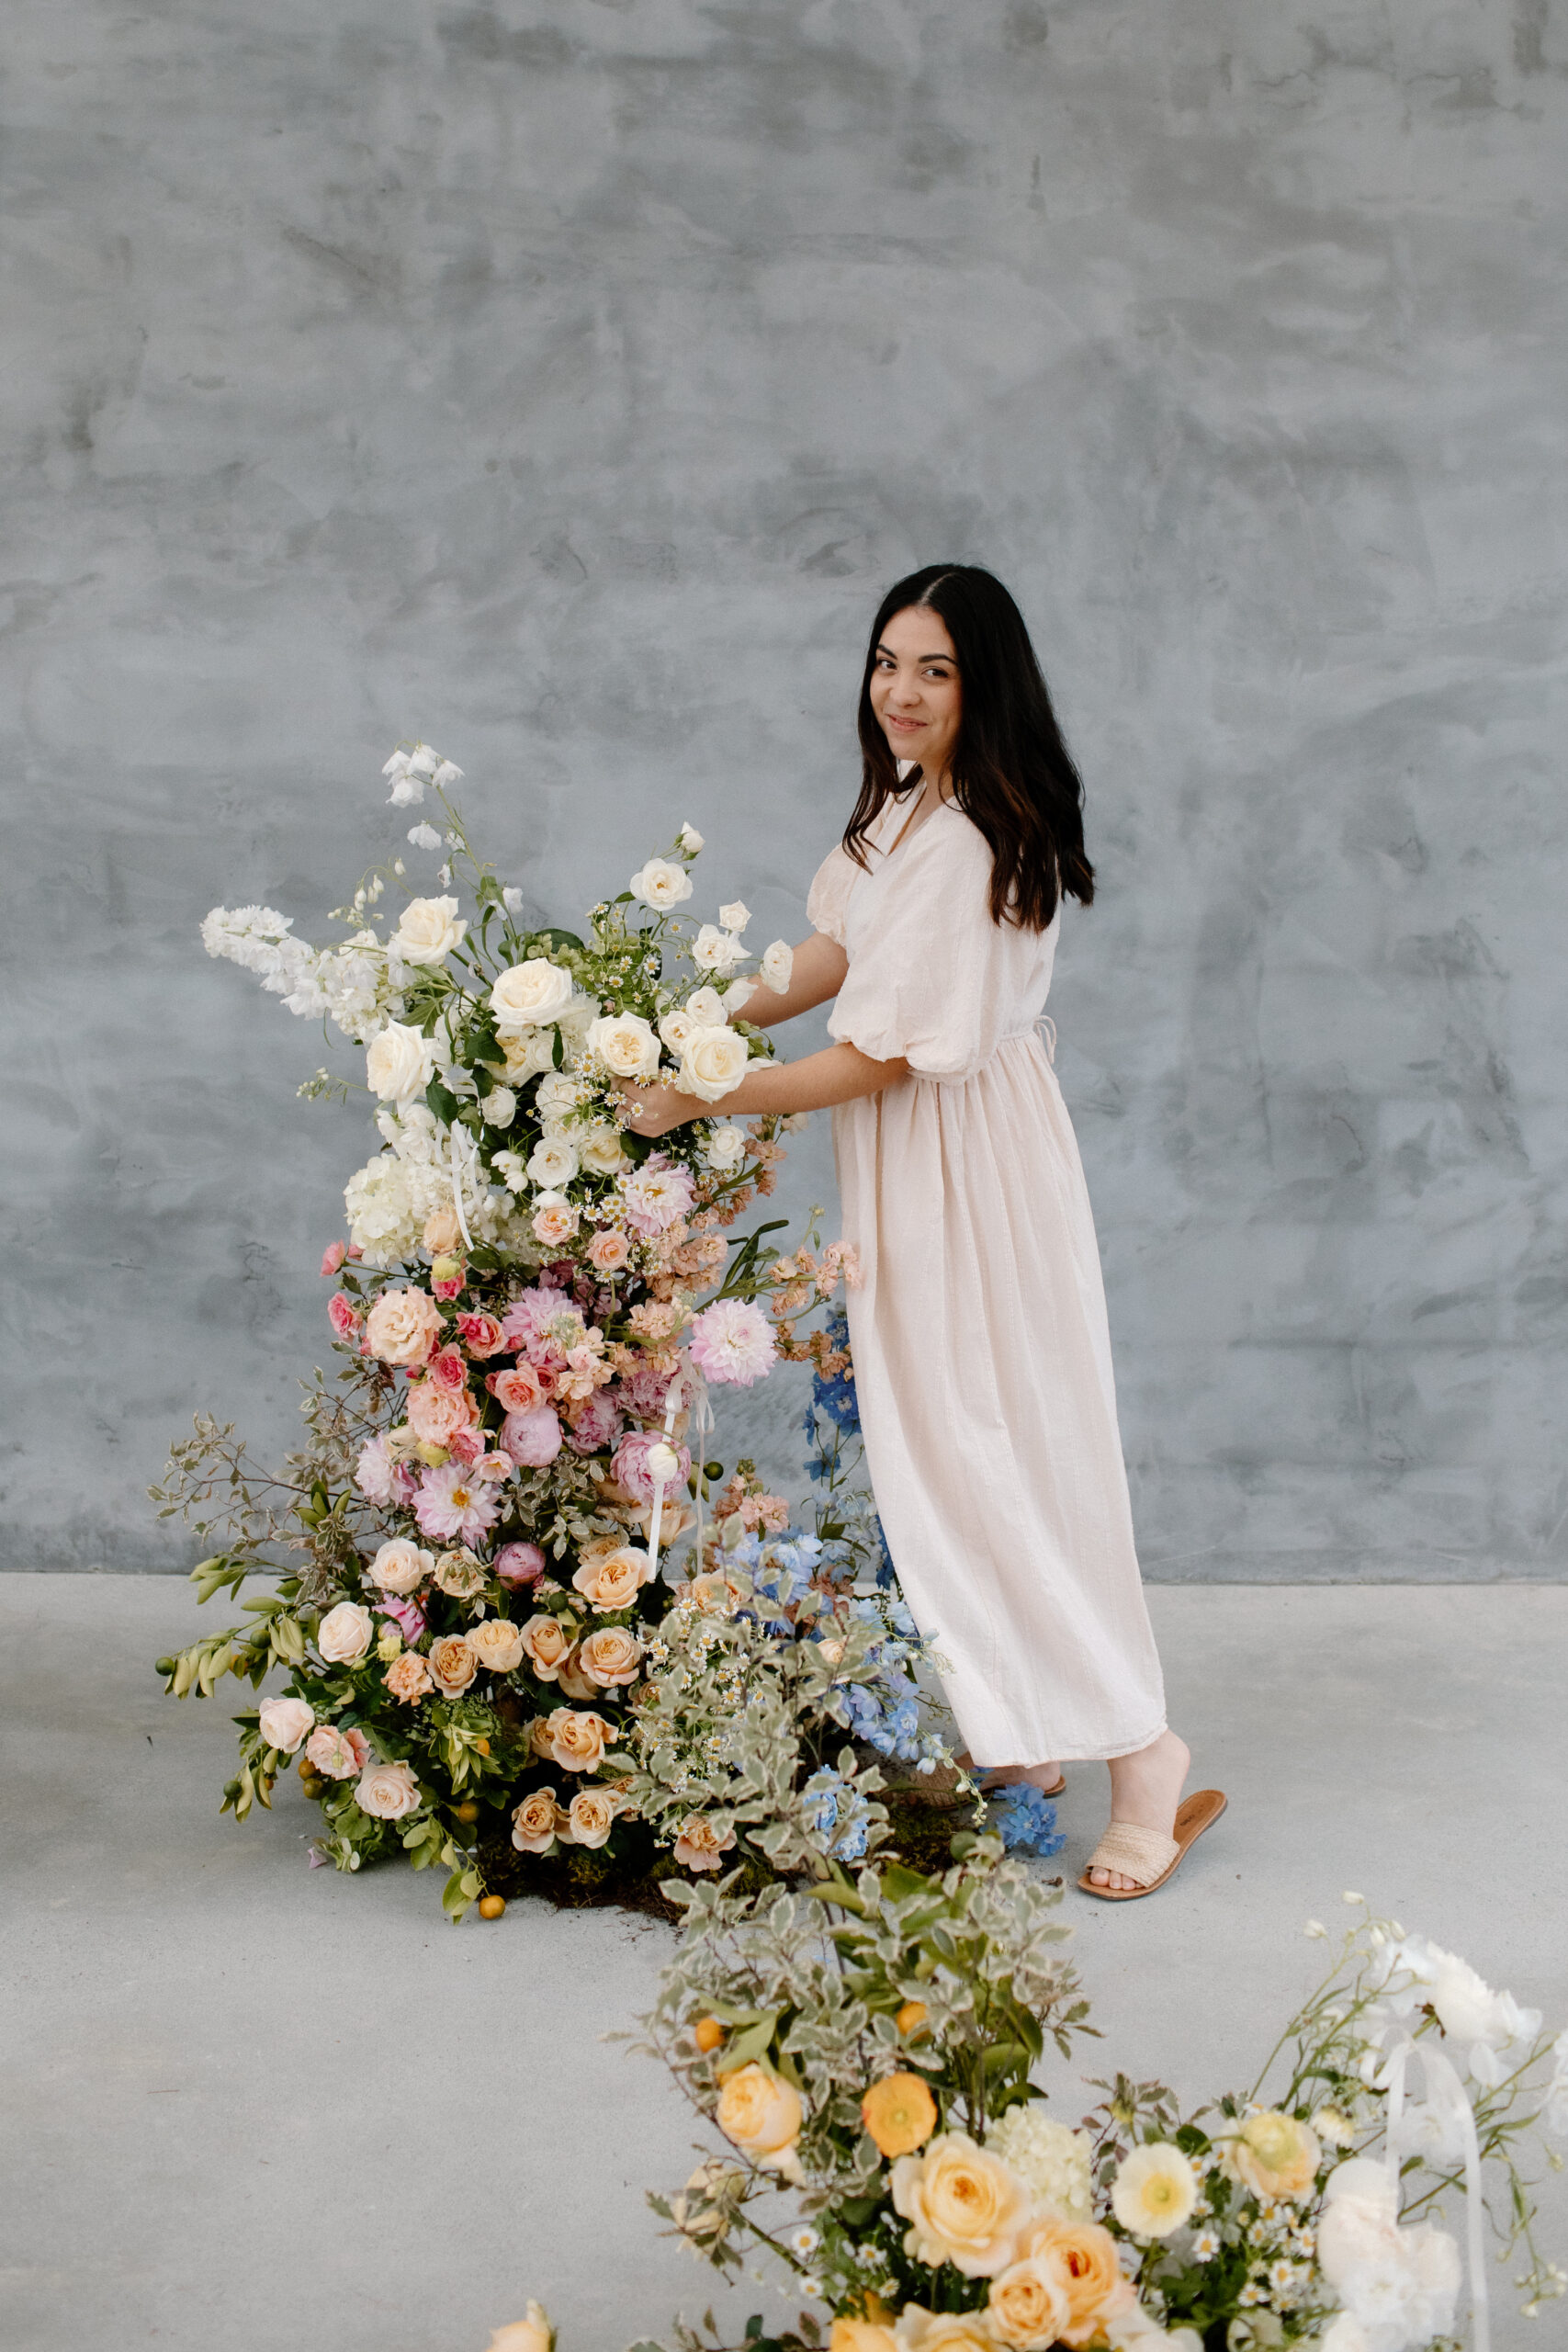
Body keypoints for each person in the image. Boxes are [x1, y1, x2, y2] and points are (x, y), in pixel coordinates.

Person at [623, 565, 1224, 1898]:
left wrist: (707, 1089)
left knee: (997, 1449)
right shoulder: (906, 809)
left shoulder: (971, 844)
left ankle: (1145, 1753)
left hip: (969, 1171)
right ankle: (1021, 1738)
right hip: (916, 1167)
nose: (900, 690)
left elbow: (885, 1059)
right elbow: (835, 956)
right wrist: (699, 1019)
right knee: (938, 1456)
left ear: (983, 685)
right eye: (888, 660)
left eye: (935, 671)